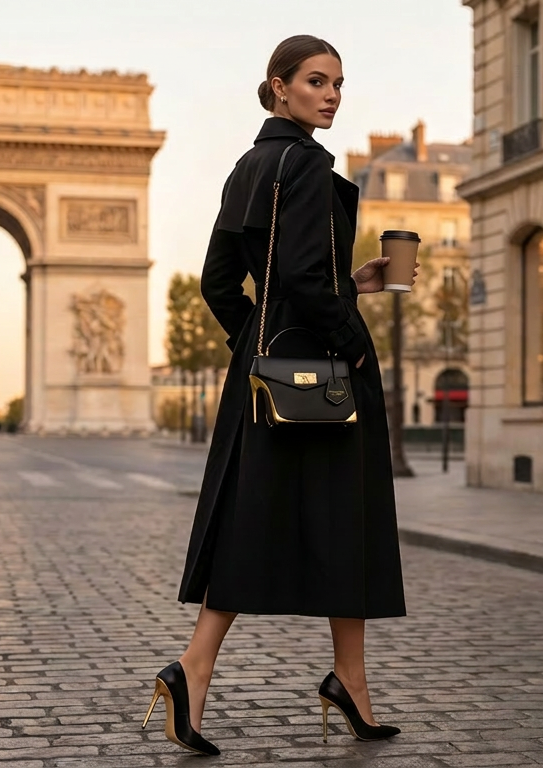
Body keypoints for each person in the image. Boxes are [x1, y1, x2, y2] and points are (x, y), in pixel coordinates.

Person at [140, 35, 411, 757]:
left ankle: (328, 680)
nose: (330, 95)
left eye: (339, 84)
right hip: (326, 379)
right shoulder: (308, 169)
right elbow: (300, 279)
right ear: (279, 87)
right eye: (316, 82)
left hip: (266, 383)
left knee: (253, 519)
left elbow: (220, 282)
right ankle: (206, 670)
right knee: (343, 519)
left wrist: (258, 346)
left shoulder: (250, 166)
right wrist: (350, 340)